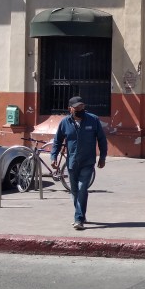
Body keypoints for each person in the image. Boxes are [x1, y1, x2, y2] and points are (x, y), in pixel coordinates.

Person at [51, 96, 107, 230]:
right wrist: (53, 157)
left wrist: (103, 157)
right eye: (76, 108)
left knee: (82, 189)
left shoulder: (93, 120)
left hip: (88, 161)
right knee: (74, 190)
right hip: (72, 162)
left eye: (81, 107)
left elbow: (101, 139)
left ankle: (78, 218)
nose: (79, 109)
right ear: (69, 109)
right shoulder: (64, 123)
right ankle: (81, 213)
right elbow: (57, 141)